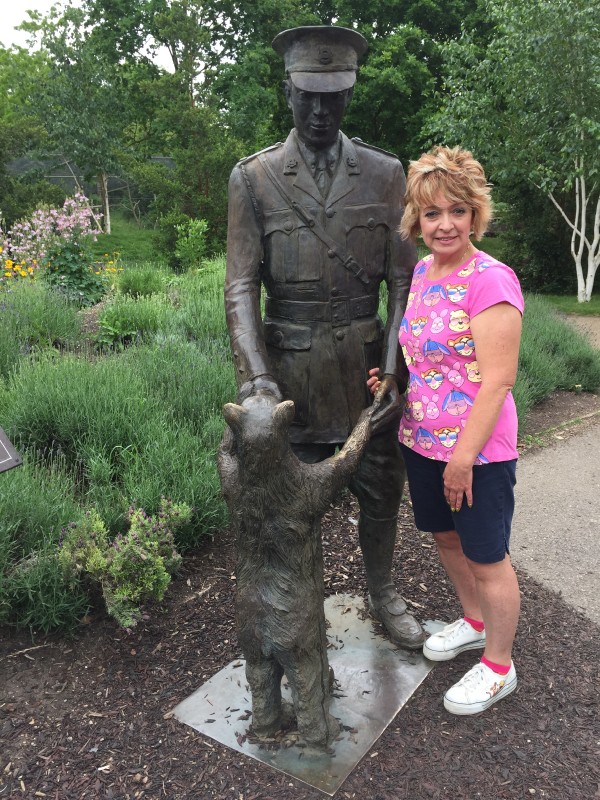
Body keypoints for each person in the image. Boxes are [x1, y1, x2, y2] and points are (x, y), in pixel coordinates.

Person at [224, 25, 425, 649]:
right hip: (292, 383)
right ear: (288, 92)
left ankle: (382, 590)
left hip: (368, 373)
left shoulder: (387, 174)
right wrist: (257, 381)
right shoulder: (254, 180)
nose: (319, 110)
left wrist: (393, 370)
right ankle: (298, 609)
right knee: (291, 511)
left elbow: (402, 285)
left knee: (380, 489)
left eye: (332, 97)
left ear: (348, 95)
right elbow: (239, 289)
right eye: (307, 95)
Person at [369, 145, 524, 714]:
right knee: (446, 538)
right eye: (432, 213)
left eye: (457, 211)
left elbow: (496, 383)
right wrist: (396, 377)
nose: (445, 224)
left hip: (476, 454)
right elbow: (430, 354)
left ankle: (499, 667)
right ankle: (475, 621)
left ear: (474, 215)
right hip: (422, 442)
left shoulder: (491, 281)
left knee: (488, 555)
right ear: (417, 220)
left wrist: (462, 458)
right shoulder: (423, 274)